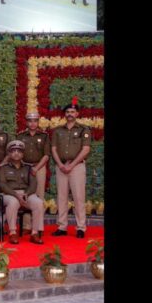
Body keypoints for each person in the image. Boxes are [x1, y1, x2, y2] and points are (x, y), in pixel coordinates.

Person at [51, 98, 91, 238]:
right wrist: (60, 165)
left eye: (72, 112)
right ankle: (62, 226)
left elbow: (86, 149)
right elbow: (53, 149)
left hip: (77, 167)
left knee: (78, 197)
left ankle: (81, 228)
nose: (70, 114)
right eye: (67, 112)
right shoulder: (58, 131)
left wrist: (72, 165)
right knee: (61, 197)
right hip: (61, 167)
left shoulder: (84, 129)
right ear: (65, 114)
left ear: (77, 114)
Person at [0, 140, 44, 244]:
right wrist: (16, 195)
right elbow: (2, 185)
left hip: (26, 193)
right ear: (9, 154)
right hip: (9, 194)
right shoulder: (3, 168)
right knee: (13, 202)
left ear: (23, 154)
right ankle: (12, 232)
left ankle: (34, 233)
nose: (16, 153)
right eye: (13, 151)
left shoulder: (29, 168)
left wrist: (26, 194)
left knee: (38, 203)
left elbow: (33, 184)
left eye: (19, 151)